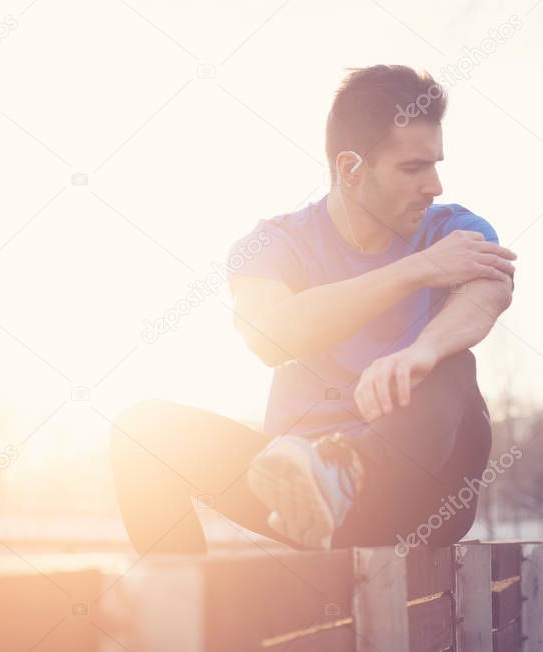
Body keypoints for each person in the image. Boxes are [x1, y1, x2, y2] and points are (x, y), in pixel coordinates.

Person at [109, 65, 517, 555]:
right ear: (350, 169)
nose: (435, 185)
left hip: (420, 498)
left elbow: (489, 289)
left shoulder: (451, 228)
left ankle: (350, 469)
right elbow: (271, 335)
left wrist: (422, 351)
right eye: (413, 168)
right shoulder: (275, 243)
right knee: (141, 431)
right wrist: (416, 271)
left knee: (451, 360)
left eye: (435, 164)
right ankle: (181, 608)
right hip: (296, 496)